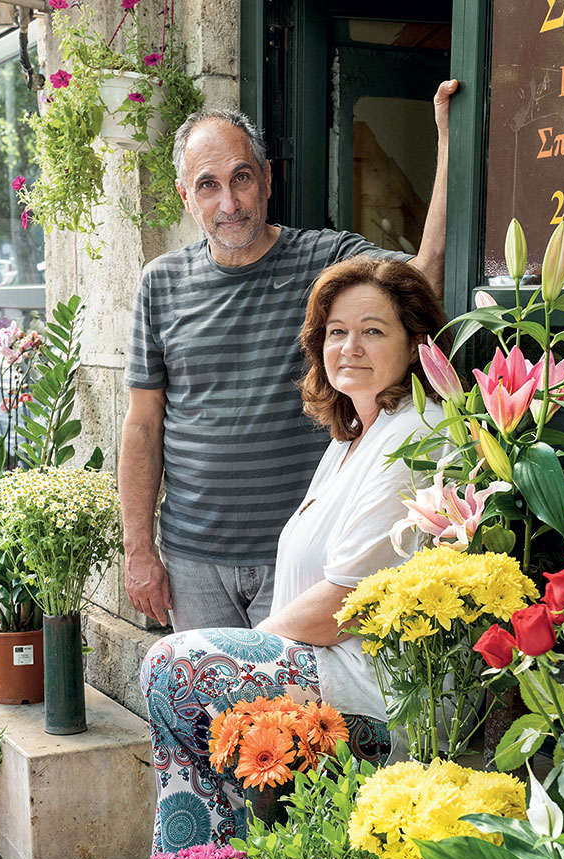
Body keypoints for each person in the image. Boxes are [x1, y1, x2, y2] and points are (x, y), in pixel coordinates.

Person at [120, 82, 458, 632]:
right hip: (192, 559)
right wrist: (139, 550)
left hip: (301, 554)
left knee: (289, 718)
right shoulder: (160, 283)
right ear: (186, 197)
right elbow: (142, 424)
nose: (228, 203)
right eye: (208, 186)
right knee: (209, 713)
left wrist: (448, 142)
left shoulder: (326, 260)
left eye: (241, 178)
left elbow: (427, 275)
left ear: (268, 178)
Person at [141, 256, 447, 853]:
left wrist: (254, 648)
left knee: (177, 667)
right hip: (321, 671)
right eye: (336, 331)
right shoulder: (353, 439)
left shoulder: (414, 434)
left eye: (373, 330)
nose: (349, 346)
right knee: (191, 720)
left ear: (415, 347)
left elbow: (345, 604)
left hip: (372, 693)